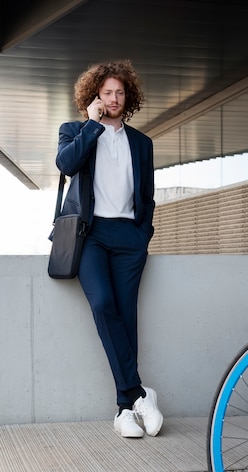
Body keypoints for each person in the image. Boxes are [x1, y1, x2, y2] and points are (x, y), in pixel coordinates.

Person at [56, 59, 163, 439]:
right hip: (92, 235)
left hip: (129, 238)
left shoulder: (141, 143)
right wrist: (91, 125)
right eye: (106, 93)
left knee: (126, 316)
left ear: (127, 96)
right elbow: (66, 164)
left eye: (119, 92)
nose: (114, 98)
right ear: (94, 97)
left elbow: (147, 196)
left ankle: (123, 411)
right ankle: (138, 394)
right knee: (103, 304)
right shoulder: (75, 130)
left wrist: (143, 234)